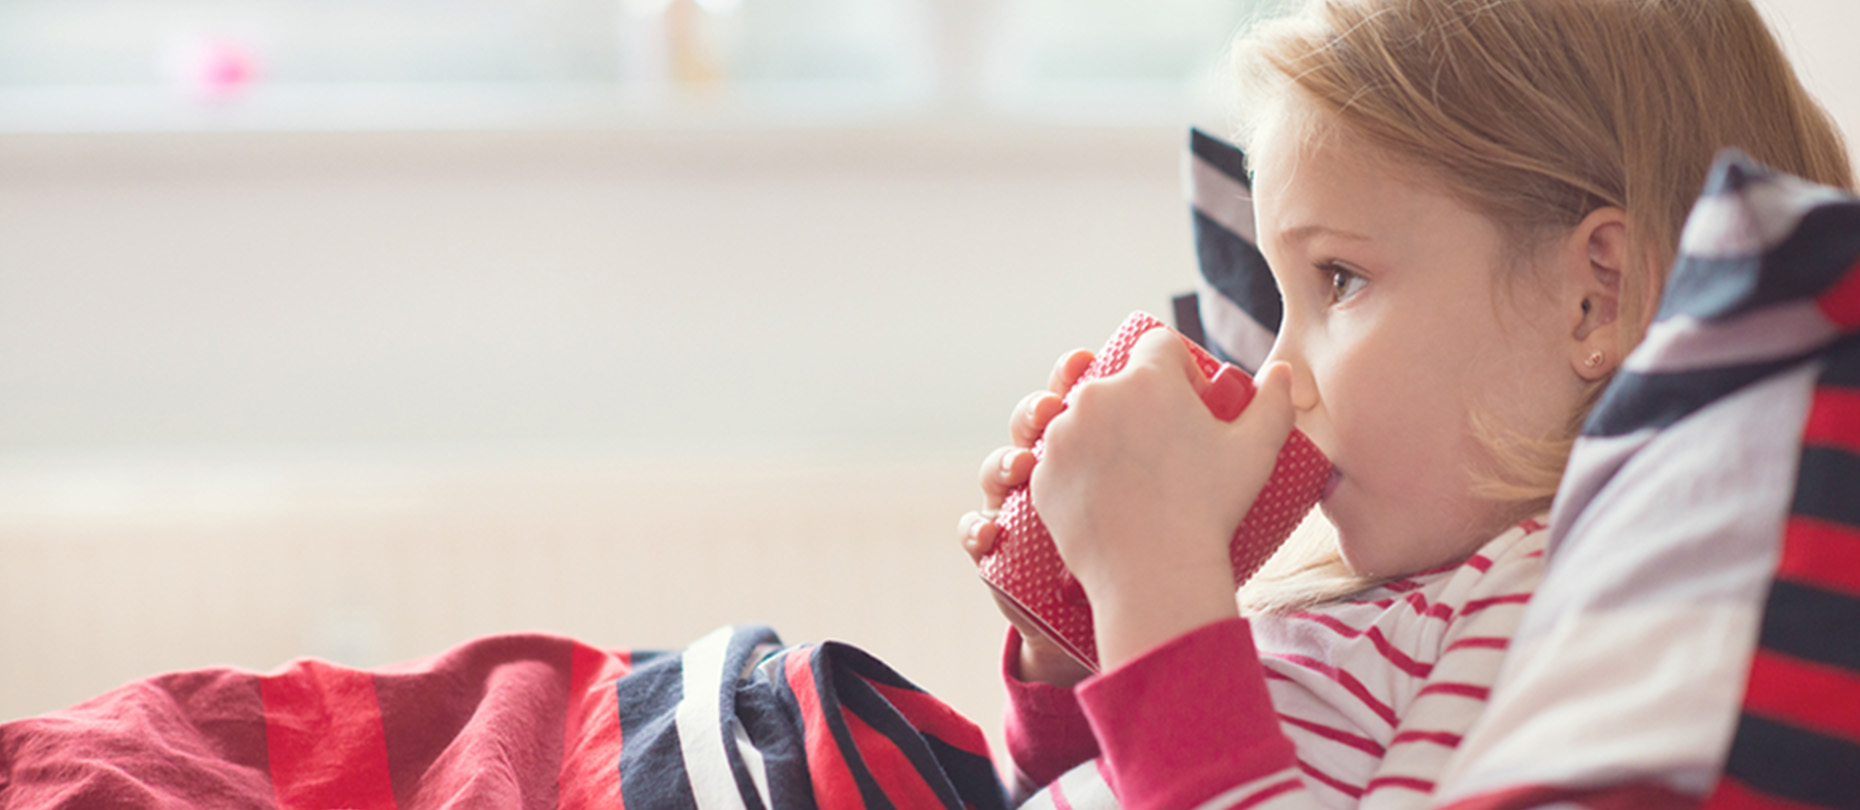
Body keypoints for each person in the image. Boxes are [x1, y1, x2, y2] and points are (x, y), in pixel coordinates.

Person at [956, 0, 1854, 808]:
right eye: (1280, 303)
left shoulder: (1544, 601)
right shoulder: (1375, 610)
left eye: (1339, 280)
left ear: (1596, 298)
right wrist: (1077, 648)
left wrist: (1154, 591)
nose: (1280, 374)